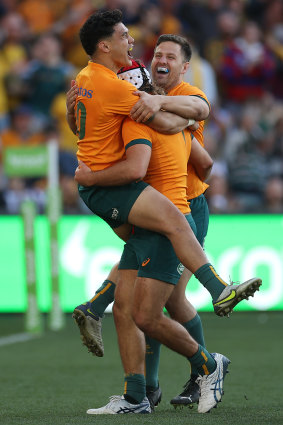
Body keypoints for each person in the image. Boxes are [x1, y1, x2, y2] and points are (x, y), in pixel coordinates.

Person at [67, 15, 261, 412]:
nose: (156, 58)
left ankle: (193, 367)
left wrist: (173, 114)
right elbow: (176, 135)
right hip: (152, 203)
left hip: (182, 204)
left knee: (155, 306)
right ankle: (147, 388)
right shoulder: (128, 101)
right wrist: (170, 115)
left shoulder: (173, 91)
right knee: (141, 308)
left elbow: (200, 121)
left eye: (170, 56)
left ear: (184, 67)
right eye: (157, 54)